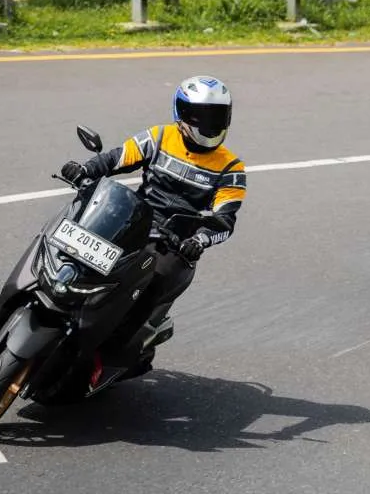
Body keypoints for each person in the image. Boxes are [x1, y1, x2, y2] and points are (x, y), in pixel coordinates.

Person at [59, 74, 246, 373]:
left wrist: (198, 241)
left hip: (175, 245)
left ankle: (104, 359)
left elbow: (225, 221)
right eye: (201, 115)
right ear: (182, 114)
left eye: (217, 115)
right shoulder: (159, 137)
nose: (209, 123)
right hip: (132, 221)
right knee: (76, 239)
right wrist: (84, 169)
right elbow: (115, 158)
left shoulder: (231, 168)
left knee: (151, 284)